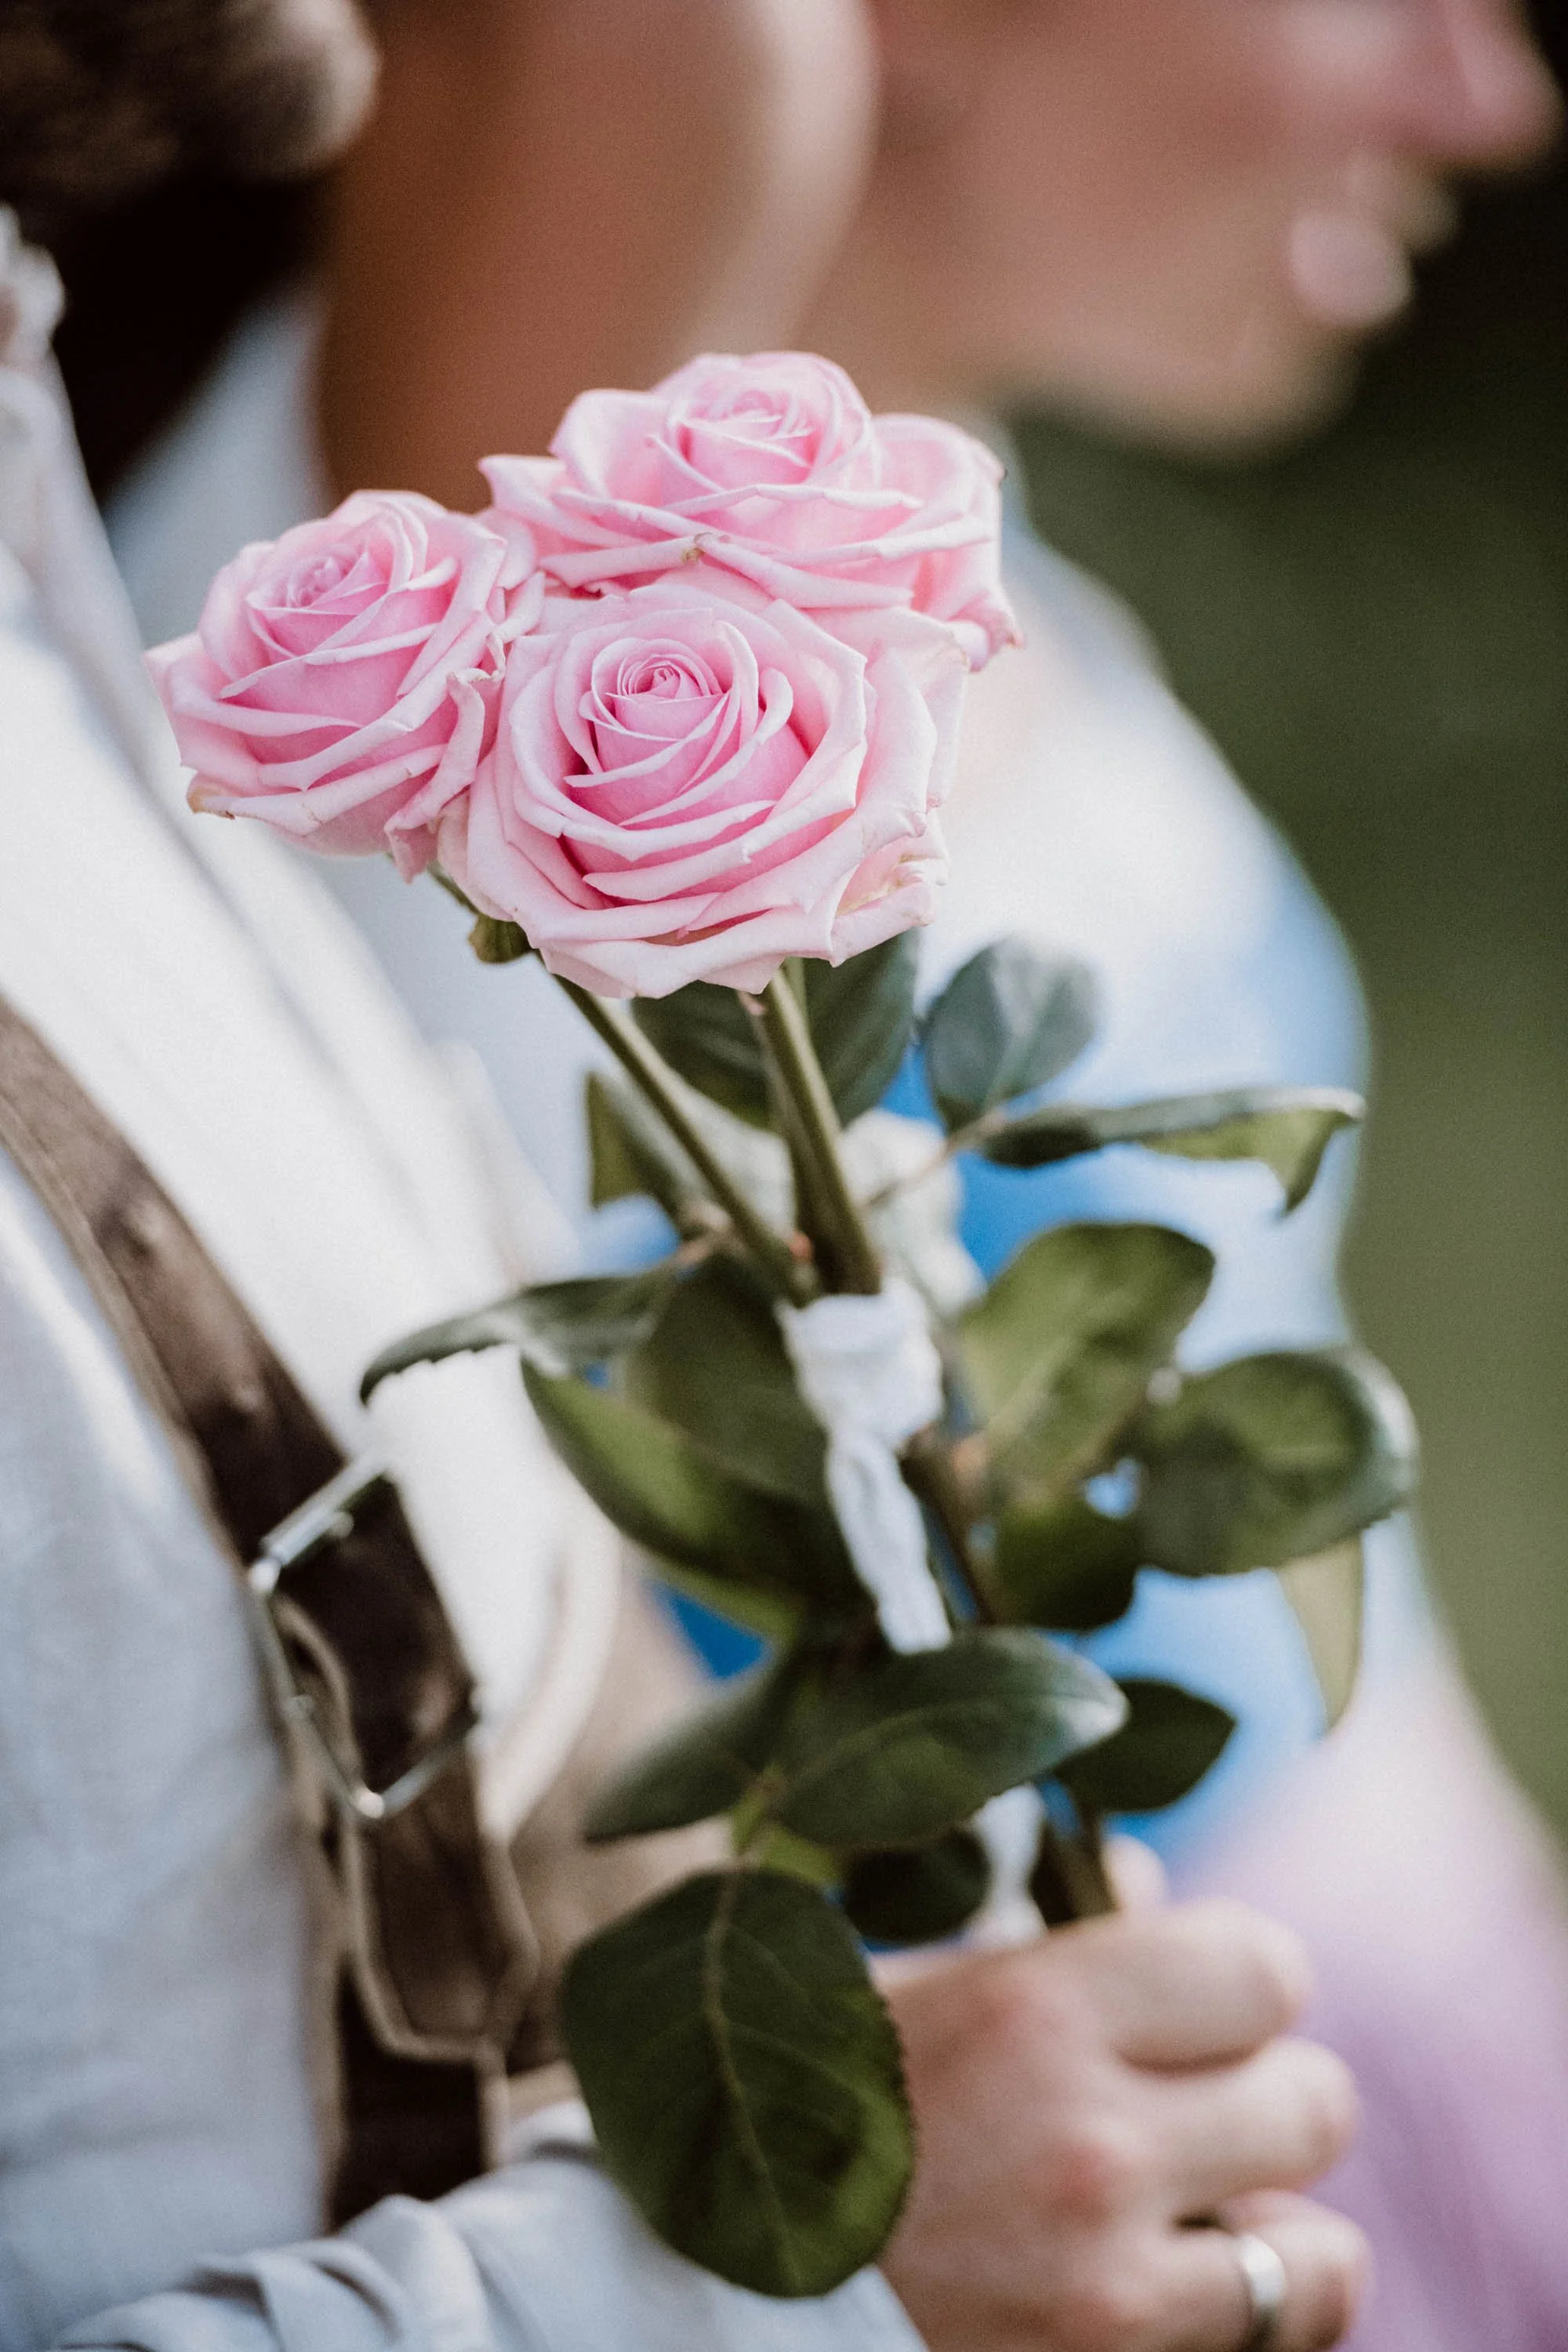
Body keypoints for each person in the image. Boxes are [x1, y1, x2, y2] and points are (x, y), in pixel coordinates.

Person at [96, 1, 1568, 2345]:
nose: (1488, 94)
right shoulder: (485, 575)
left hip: (1422, 2075)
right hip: (1043, 2193)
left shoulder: (944, 542)